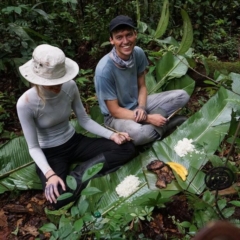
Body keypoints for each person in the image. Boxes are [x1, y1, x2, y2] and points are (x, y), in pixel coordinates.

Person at [17, 44, 136, 209]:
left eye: (60, 81)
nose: (58, 87)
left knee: (127, 147)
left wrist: (112, 135)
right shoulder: (25, 103)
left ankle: (81, 174)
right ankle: (84, 175)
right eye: (52, 84)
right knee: (58, 199)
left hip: (74, 141)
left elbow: (84, 120)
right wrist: (50, 174)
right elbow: (33, 147)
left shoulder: (70, 86)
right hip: (50, 153)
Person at [94, 15, 190, 146]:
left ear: (135, 35)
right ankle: (166, 125)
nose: (125, 41)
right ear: (111, 40)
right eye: (119, 37)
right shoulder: (104, 70)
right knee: (139, 134)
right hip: (115, 117)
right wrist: (149, 118)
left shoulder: (138, 53)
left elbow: (142, 86)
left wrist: (141, 107)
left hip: (137, 105)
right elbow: (115, 110)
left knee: (182, 96)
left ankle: (153, 124)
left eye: (129, 35)